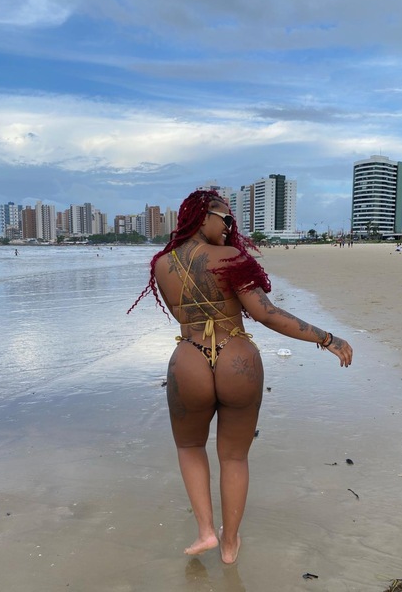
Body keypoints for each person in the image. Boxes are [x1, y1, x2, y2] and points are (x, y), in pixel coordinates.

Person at [128, 190, 353, 564]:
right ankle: (229, 543)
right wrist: (326, 338)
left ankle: (205, 531)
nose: (231, 227)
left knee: (189, 447)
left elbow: (182, 316)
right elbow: (265, 314)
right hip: (236, 357)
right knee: (233, 457)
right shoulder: (232, 257)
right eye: (226, 219)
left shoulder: (162, 264)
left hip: (189, 359)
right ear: (203, 217)